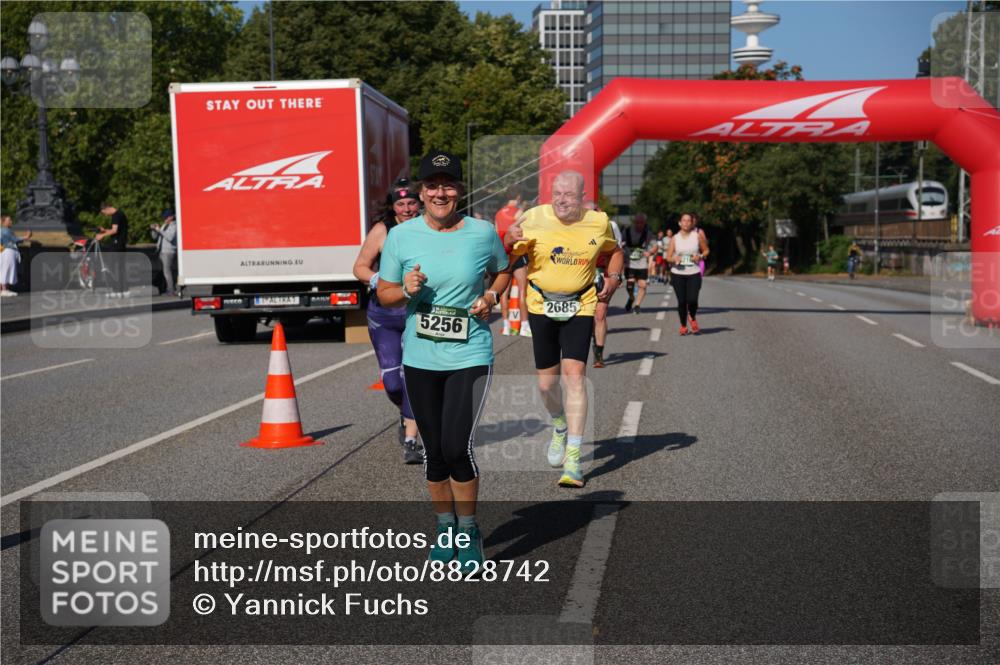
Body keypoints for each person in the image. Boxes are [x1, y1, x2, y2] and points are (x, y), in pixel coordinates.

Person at [377, 151, 511, 569]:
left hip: (470, 352)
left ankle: (468, 531)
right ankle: (444, 526)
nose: (440, 192)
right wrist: (407, 288)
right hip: (420, 357)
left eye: (448, 184)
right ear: (421, 192)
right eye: (432, 185)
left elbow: (503, 271)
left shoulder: (482, 232)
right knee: (434, 451)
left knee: (457, 447)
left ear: (459, 190)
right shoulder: (400, 237)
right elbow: (385, 293)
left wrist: (490, 296)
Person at [505, 171, 624, 488]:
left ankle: (573, 459)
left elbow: (615, 252)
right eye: (556, 193)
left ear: (583, 196)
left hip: (580, 304)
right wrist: (507, 237)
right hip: (541, 303)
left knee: (574, 376)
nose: (560, 199)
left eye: (568, 194)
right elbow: (508, 252)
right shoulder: (533, 218)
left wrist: (613, 278)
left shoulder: (598, 222)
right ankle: (559, 424)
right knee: (546, 386)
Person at [353, 178, 423, 464]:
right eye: (401, 204)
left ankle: (411, 439)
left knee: (412, 377)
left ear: (419, 204)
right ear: (392, 206)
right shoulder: (383, 230)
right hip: (383, 314)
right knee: (393, 382)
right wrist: (375, 278)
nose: (407, 209)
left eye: (411, 203)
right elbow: (359, 266)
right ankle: (404, 413)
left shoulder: (427, 229)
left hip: (415, 313)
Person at [590, 202, 623, 368]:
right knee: (586, 316)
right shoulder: (576, 227)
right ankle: (590, 336)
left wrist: (614, 277)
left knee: (600, 313)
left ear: (600, 212)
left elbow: (617, 251)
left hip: (604, 271)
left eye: (594, 211)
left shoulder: (611, 226)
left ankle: (598, 354)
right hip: (582, 273)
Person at [493, 191, 530, 337]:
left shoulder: (498, 213)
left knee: (503, 292)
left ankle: (506, 325)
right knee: (522, 291)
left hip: (503, 254)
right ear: (518, 196)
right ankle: (524, 326)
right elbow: (523, 232)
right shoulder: (520, 211)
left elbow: (496, 234)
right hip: (518, 253)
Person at [666, 212, 710, 335]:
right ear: (680, 223)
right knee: (681, 301)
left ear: (692, 223)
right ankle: (683, 325)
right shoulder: (675, 238)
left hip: (694, 272)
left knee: (692, 300)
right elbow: (668, 257)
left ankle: (693, 316)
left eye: (688, 221)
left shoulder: (697, 236)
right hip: (678, 273)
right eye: (683, 220)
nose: (686, 223)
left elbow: (706, 250)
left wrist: (700, 256)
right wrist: (675, 259)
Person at [622, 212, 654, 314]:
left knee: (643, 285)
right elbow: (620, 242)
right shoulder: (627, 231)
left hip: (642, 263)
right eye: (637, 222)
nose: (639, 224)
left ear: (644, 223)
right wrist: (623, 248)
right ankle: (631, 298)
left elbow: (655, 245)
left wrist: (650, 251)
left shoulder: (648, 233)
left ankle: (637, 305)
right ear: (634, 222)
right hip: (629, 262)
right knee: (630, 284)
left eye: (641, 222)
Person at [97, 203, 128, 296]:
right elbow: (117, 230)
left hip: (116, 245)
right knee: (119, 267)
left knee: (113, 267)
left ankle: (117, 290)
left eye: (104, 213)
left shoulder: (116, 216)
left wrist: (102, 235)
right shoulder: (121, 214)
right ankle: (122, 290)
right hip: (121, 244)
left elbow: (115, 230)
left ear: (107, 208)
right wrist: (105, 230)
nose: (105, 215)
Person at [0, 215, 31, 296]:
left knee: (6, 270)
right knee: (6, 270)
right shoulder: (5, 230)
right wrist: (26, 237)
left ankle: (4, 289)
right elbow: (15, 239)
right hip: (8, 252)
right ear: (3, 222)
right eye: (9, 220)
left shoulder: (5, 230)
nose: (11, 222)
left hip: (7, 251)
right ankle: (4, 289)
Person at [151, 209, 179, 296]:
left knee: (167, 272)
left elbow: (169, 237)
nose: (165, 219)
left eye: (166, 217)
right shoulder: (164, 225)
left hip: (169, 251)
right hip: (161, 251)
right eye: (164, 218)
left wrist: (159, 230)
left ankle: (171, 290)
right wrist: (154, 230)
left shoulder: (174, 226)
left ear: (171, 217)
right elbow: (155, 237)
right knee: (163, 272)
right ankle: (166, 288)